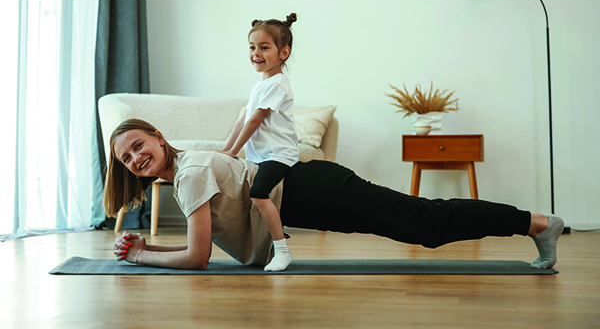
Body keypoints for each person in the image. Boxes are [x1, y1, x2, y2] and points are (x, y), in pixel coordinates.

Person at [106, 119, 564, 271]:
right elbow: (198, 249)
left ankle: (536, 223)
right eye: (127, 158)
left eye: (138, 146)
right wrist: (148, 247)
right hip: (310, 190)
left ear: (159, 138)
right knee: (424, 221)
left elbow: (197, 257)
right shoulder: (190, 166)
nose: (136, 159)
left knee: (426, 222)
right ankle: (533, 224)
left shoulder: (189, 174)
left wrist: (143, 254)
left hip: (312, 192)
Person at [217, 13, 299, 271]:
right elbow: (243, 118)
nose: (256, 53)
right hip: (260, 156)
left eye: (264, 47)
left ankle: (282, 251)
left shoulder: (278, 84)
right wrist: (226, 150)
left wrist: (233, 150)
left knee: (258, 194)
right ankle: (262, 246)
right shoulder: (259, 84)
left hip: (278, 155)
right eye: (252, 47)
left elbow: (254, 122)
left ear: (283, 53)